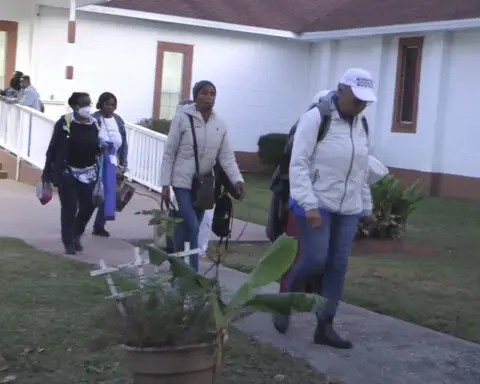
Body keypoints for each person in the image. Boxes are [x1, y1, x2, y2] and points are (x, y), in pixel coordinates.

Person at [273, 68, 377, 349]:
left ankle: (325, 325)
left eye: (365, 101)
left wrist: (366, 206)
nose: (361, 106)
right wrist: (308, 204)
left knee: (337, 265)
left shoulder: (361, 124)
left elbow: (361, 169)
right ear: (341, 91)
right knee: (315, 259)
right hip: (317, 203)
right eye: (356, 100)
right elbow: (299, 163)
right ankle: (284, 300)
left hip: (349, 208)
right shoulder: (317, 118)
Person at [160, 80, 245, 272]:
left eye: (212, 94)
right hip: (181, 182)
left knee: (185, 231)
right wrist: (165, 183)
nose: (209, 97)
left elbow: (226, 157)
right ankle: (194, 274)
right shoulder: (182, 118)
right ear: (196, 95)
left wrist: (237, 179)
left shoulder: (219, 125)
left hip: (204, 186)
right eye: (204, 93)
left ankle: (178, 270)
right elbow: (169, 152)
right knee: (193, 227)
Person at [42, 92, 104, 255]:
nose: (87, 107)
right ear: (75, 106)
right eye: (84, 104)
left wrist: (101, 148)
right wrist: (47, 173)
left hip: (89, 172)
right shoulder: (65, 123)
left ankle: (77, 234)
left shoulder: (94, 123)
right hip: (68, 172)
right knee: (69, 209)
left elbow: (96, 147)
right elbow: (53, 148)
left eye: (89, 103)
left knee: (88, 207)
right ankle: (68, 242)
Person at [91, 92, 128, 237]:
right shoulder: (94, 119)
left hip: (112, 162)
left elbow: (123, 143)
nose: (110, 108)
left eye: (113, 105)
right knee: (93, 193)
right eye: (107, 104)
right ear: (101, 104)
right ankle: (80, 220)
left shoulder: (118, 120)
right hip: (96, 161)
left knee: (108, 194)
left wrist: (123, 164)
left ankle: (99, 225)